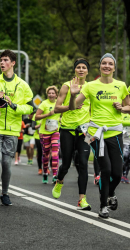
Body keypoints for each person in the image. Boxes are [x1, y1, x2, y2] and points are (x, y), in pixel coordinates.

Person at [69, 53, 130, 218]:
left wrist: (121, 108)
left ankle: (110, 194)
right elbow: (74, 106)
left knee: (117, 173)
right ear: (100, 66)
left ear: (114, 67)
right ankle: (103, 206)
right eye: (104, 63)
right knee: (106, 169)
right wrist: (73, 94)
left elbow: (129, 106)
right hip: (94, 134)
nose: (107, 66)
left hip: (116, 133)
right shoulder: (90, 86)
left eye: (110, 63)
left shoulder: (121, 85)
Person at [0, 50, 34, 206]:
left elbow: (30, 108)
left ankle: (5, 193)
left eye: (5, 60)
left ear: (13, 63)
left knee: (6, 164)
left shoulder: (23, 85)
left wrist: (14, 106)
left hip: (13, 130)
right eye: (1, 60)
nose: (2, 63)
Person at [52, 58, 91, 210]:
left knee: (83, 162)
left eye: (84, 67)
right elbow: (56, 108)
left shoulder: (91, 87)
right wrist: (71, 107)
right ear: (75, 70)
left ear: (87, 71)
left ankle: (82, 199)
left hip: (85, 131)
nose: (81, 70)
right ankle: (59, 180)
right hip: (67, 129)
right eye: (78, 67)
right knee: (66, 163)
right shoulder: (66, 86)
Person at [35, 86, 61, 184]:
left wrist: (61, 120)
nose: (51, 95)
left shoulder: (59, 104)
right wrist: (47, 114)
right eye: (49, 93)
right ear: (47, 94)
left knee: (55, 152)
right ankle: (45, 172)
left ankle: (55, 175)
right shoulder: (44, 104)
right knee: (46, 154)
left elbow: (63, 114)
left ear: (56, 94)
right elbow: (37, 117)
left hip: (55, 132)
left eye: (53, 93)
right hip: (44, 132)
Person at [121, 113, 130, 183]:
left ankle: (125, 175)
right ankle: (122, 174)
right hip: (124, 140)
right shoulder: (122, 114)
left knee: (129, 159)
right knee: (124, 157)